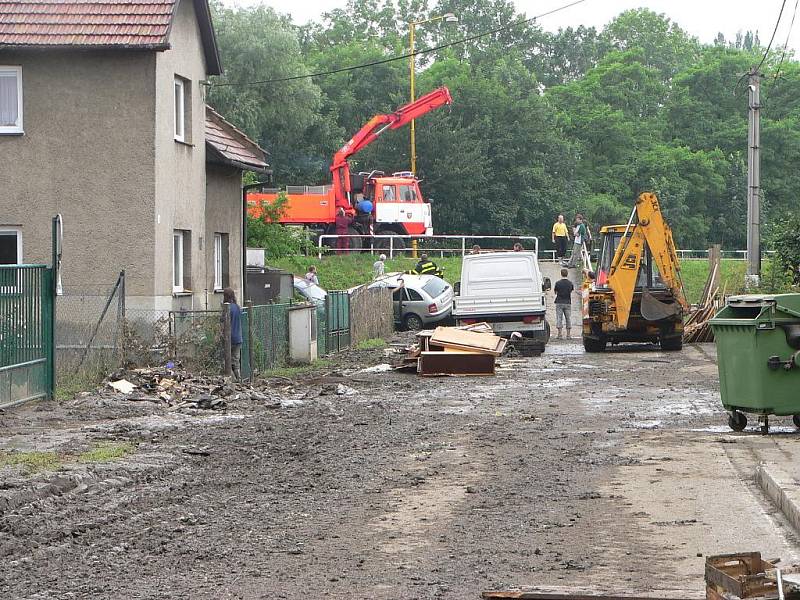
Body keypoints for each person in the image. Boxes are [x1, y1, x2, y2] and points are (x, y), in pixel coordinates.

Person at [222, 288, 243, 380]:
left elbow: (222, 321)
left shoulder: (227, 308)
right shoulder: (237, 307)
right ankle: (239, 379)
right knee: (236, 360)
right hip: (238, 337)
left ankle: (231, 379)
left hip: (229, 337)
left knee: (226, 360)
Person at [553, 269, 575, 339]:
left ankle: (559, 335)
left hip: (559, 302)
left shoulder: (558, 283)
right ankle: (568, 335)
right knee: (568, 318)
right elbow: (571, 291)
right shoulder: (570, 283)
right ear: (567, 274)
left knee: (559, 318)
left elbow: (555, 292)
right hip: (568, 302)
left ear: (561, 274)